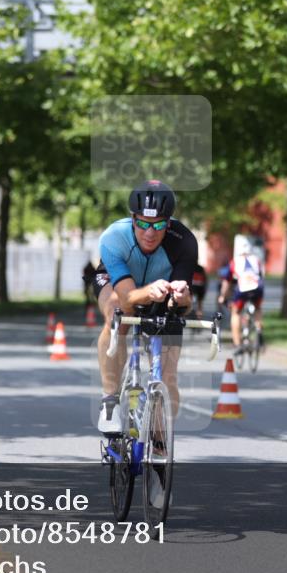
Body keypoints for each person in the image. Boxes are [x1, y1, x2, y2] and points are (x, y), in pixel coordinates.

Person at [94, 180, 198, 437]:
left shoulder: (184, 242)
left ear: (168, 224)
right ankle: (109, 401)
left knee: (168, 374)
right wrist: (148, 292)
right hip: (117, 283)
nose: (149, 232)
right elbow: (128, 297)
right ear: (132, 219)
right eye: (142, 223)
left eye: (158, 225)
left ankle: (160, 441)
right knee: (118, 313)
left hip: (161, 289)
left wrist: (181, 299)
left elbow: (183, 305)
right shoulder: (113, 238)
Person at [217, 237, 265, 358]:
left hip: (243, 288)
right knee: (258, 308)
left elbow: (227, 282)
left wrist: (222, 296)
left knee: (236, 312)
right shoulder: (256, 260)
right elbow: (260, 275)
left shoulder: (235, 262)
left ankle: (237, 344)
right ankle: (259, 330)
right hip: (257, 287)